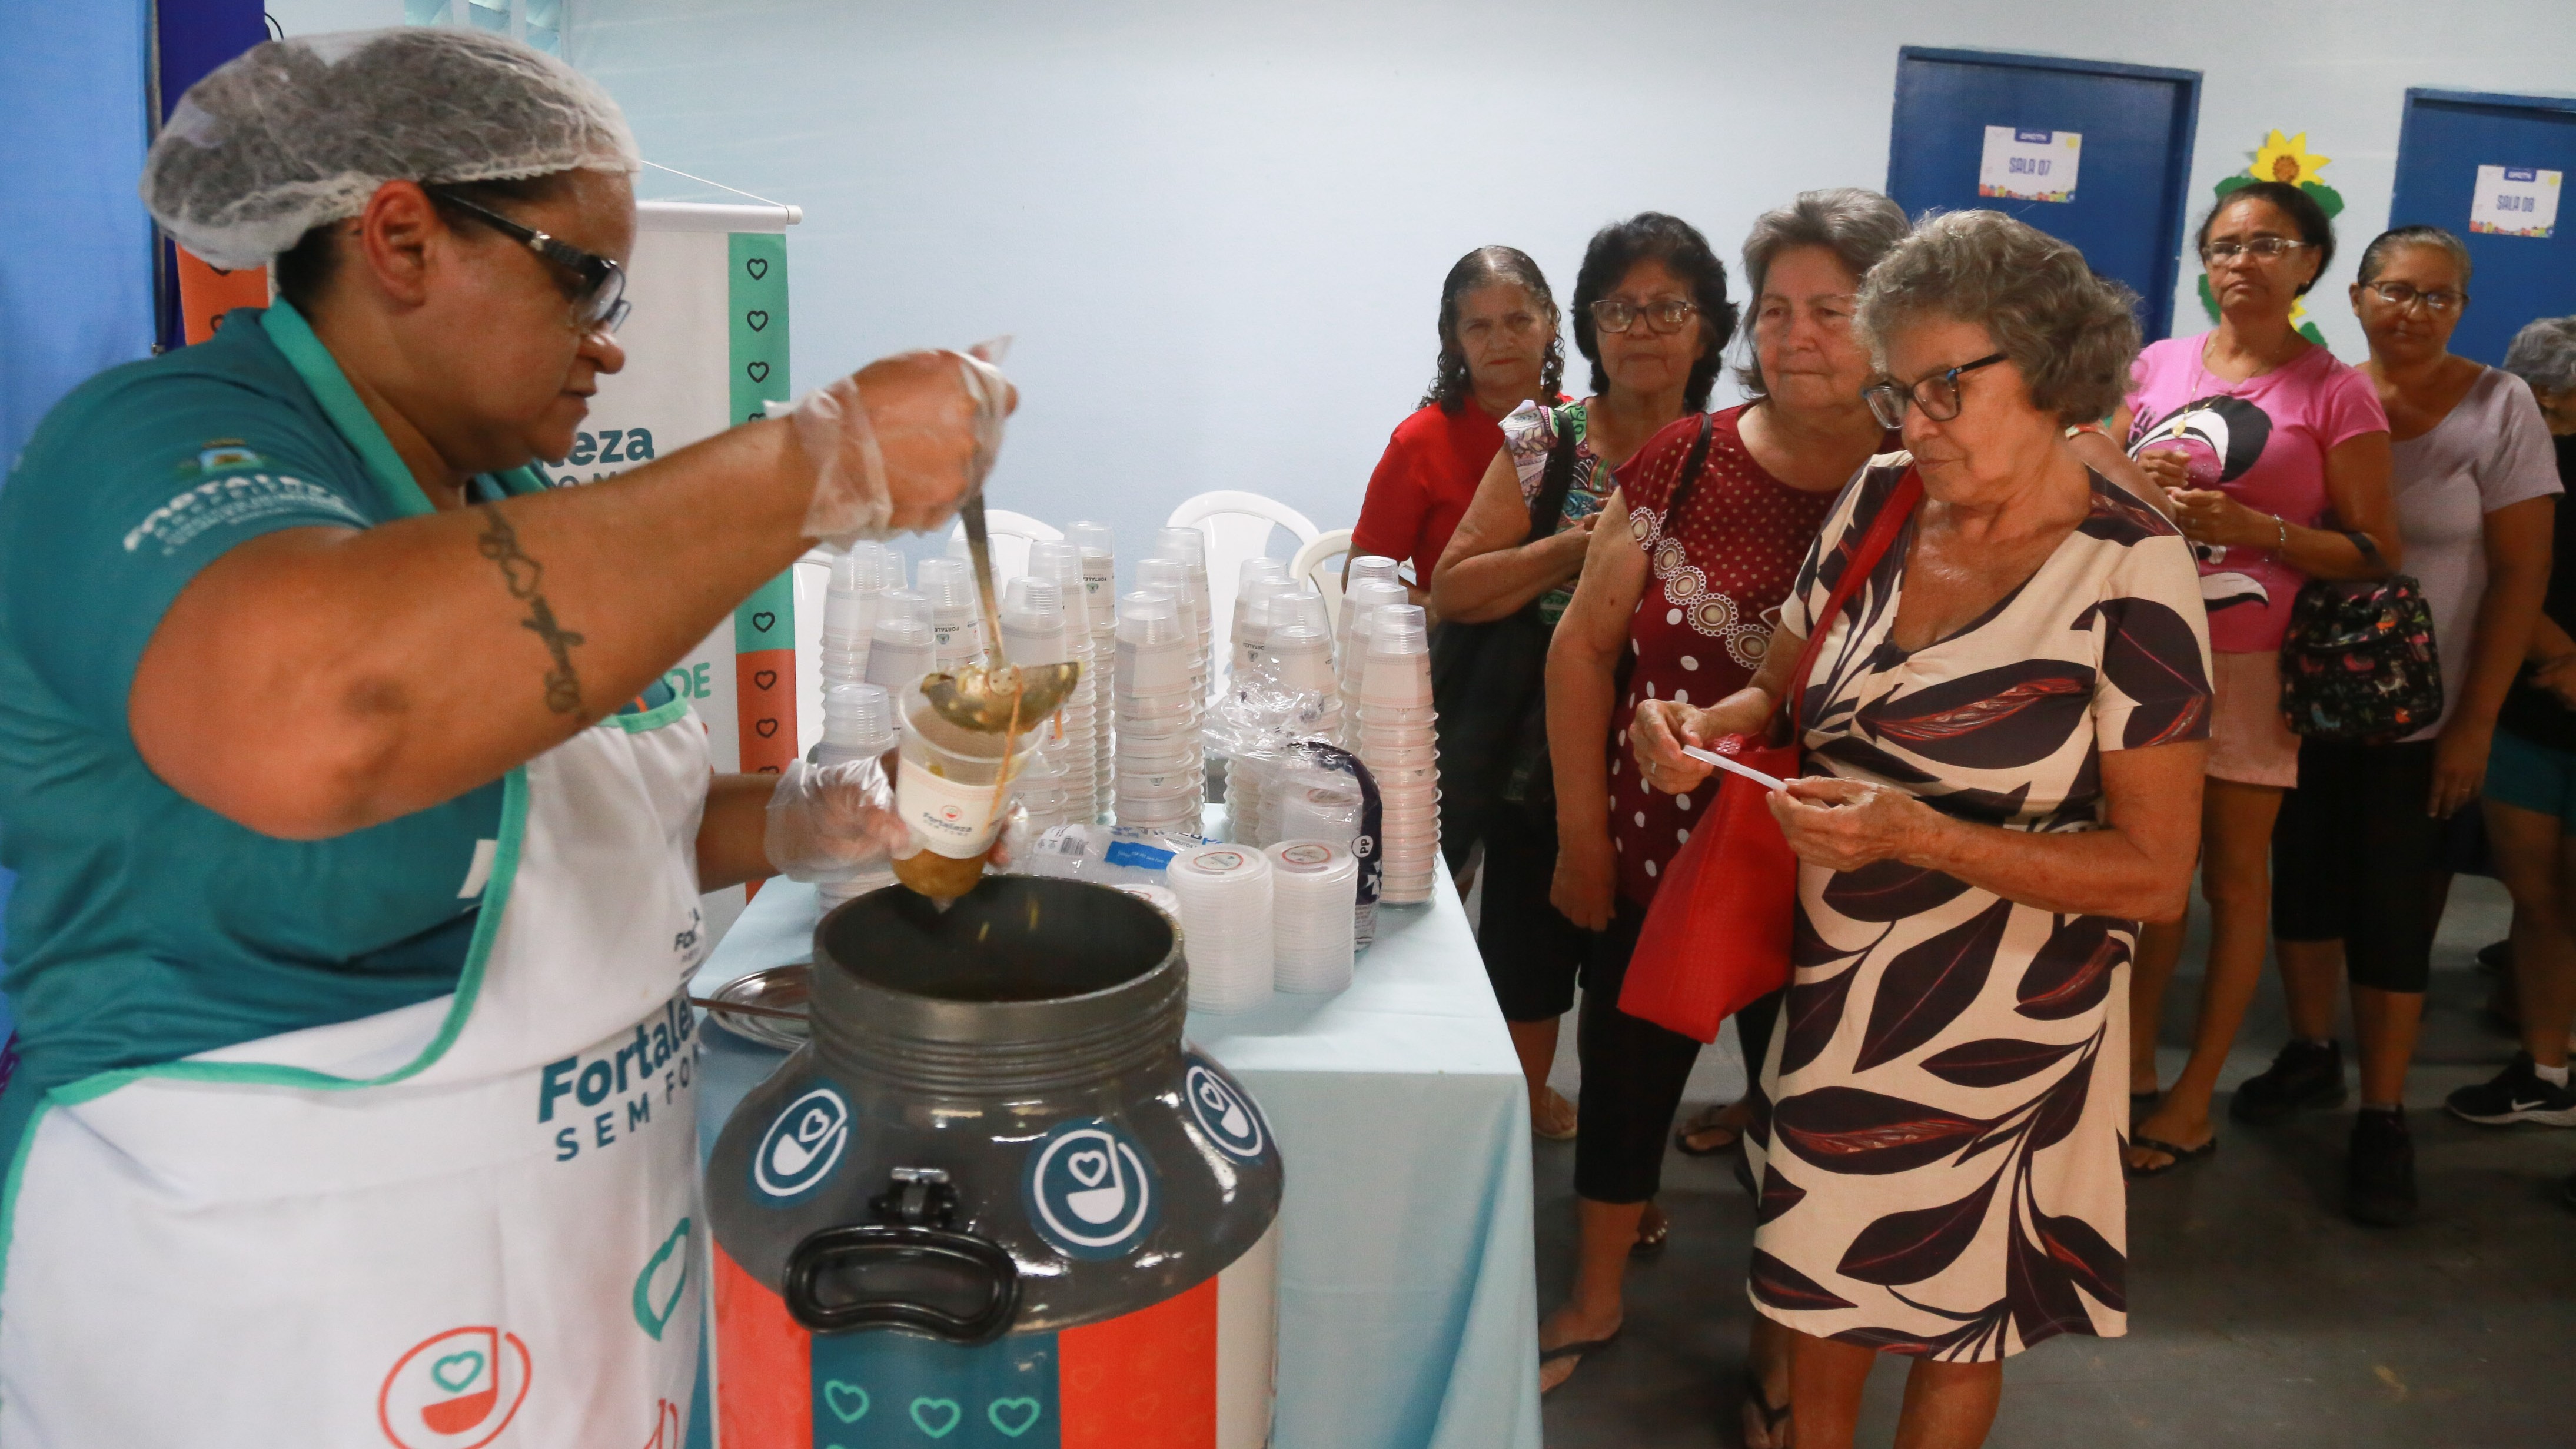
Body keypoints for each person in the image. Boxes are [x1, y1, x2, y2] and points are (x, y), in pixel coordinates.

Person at [0, 31, 992, 1441]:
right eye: (582, 277)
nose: (611, 341)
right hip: (262, 1311)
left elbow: (573, 829)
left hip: (579, 1274)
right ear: (401, 237)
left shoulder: (505, 495)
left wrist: (804, 815)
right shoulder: (147, 445)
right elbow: (324, 717)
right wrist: (813, 463)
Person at [1637, 210, 2211, 1449]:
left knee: (1958, 1322)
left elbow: (2156, 875)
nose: (1917, 421)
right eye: (1899, 390)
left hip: (2009, 1034)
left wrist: (1924, 838)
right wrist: (1700, 728)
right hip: (1840, 995)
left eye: (1949, 386)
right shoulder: (1881, 499)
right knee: (1822, 1292)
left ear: (2050, 369)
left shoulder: (2133, 570)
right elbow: (1776, 690)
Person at [1534, 189, 1909, 1420]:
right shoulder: (1685, 457)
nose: (1796, 337)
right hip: (1661, 841)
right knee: (1626, 1074)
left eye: (1833, 311)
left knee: (1808, 1115)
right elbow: (1583, 648)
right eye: (1779, 309)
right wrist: (1583, 839)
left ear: (1892, 320)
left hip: (1841, 870)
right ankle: (1593, 1296)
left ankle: (1782, 1348)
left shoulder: (1928, 479)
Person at [2248, 229, 2562, 1224]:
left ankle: (2382, 1112)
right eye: (2393, 291)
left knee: (2392, 907)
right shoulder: (2323, 393)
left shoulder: (2499, 406)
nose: (2412, 312)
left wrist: (2474, 724)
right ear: (2354, 296)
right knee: (2302, 881)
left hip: (2424, 717)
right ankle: (2310, 1051)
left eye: (2436, 297)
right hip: (2307, 700)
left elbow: (2521, 573)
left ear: (2462, 308)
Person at [2115, 181, 2400, 1178]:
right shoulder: (2156, 364)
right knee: (2145, 870)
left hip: (2252, 663)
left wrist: (2258, 530)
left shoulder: (2335, 389)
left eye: (2269, 244)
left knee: (2233, 883)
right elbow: (2094, 483)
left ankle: (2194, 1096)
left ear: (2311, 264)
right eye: (2226, 245)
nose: (2242, 261)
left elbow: (2374, 548)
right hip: (2143, 647)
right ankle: (2129, 1068)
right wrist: (2136, 483)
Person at [1431, 214, 1727, 1148]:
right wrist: (1582, 547)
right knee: (1525, 970)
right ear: (1591, 325)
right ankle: (1515, 1151)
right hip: (1538, 763)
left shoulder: (1733, 449)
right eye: (1620, 308)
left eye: (1667, 308)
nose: (1642, 329)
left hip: (1673, 768)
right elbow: (1454, 586)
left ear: (1708, 327)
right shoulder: (1542, 437)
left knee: (1636, 988)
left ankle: (1616, 1171)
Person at [2445, 317, 2576, 1187]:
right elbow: (2493, 568)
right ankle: (2546, 1071)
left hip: (2540, 696)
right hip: (2528, 715)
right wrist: (2560, 659)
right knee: (2539, 903)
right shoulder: (2513, 462)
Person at [1351, 246, 1564, 610]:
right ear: (1454, 340)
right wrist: (1443, 614)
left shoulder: (1586, 427)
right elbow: (1362, 577)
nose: (1501, 341)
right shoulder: (1419, 442)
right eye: (1479, 326)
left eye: (1518, 321)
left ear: (1550, 323)